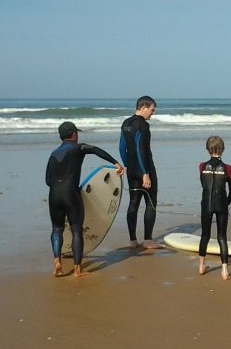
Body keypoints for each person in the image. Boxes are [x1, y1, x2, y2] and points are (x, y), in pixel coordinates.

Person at [46, 121, 123, 277]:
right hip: (70, 194)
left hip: (54, 195)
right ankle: (77, 270)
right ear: (74, 134)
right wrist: (116, 163)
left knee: (56, 229)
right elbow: (95, 150)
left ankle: (57, 262)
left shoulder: (54, 154)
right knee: (76, 230)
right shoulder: (78, 148)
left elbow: (48, 180)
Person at [119, 96, 159, 249]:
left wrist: (127, 165)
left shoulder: (126, 123)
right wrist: (145, 173)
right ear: (143, 107)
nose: (152, 114)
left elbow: (122, 147)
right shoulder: (142, 126)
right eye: (151, 110)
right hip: (144, 170)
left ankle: (132, 240)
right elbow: (140, 149)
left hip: (132, 170)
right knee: (151, 202)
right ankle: (148, 240)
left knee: (133, 203)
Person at [198, 136, 231, 280]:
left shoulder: (202, 166)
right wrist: (226, 204)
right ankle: (224, 271)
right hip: (221, 204)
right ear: (223, 149)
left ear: (207, 149)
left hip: (206, 204)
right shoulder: (228, 168)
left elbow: (204, 185)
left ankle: (201, 266)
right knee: (222, 237)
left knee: (205, 236)